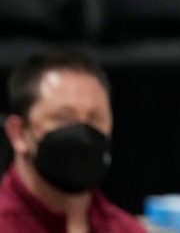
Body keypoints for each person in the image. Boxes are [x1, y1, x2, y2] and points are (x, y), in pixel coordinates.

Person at [0, 49, 144, 233]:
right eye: (63, 118)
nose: (82, 135)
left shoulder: (126, 228)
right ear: (18, 133)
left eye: (95, 118)